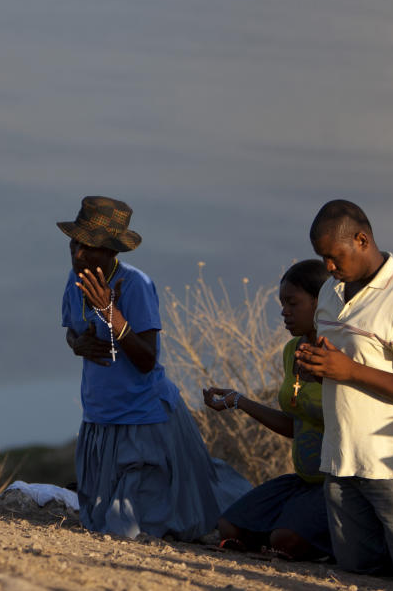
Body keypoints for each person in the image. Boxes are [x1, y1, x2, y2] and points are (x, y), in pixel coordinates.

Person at [59, 196, 251, 541]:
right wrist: (78, 344)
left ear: (113, 251)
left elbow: (147, 360)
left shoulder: (135, 286)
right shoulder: (77, 282)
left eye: (90, 247)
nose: (78, 254)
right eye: (75, 244)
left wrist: (110, 314)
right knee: (96, 520)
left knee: (132, 526)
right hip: (100, 420)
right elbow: (73, 330)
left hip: (143, 422)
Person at [295, 199, 393, 585]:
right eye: (322, 258)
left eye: (334, 257)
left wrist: (348, 370)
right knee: (359, 568)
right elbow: (341, 366)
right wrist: (318, 367)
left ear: (362, 240)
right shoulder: (333, 293)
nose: (328, 268)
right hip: (342, 457)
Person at [203, 259, 333, 560]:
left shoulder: (345, 353)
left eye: (292, 303)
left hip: (338, 484)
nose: (284, 312)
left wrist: (324, 377)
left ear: (321, 302)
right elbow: (294, 425)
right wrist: (239, 400)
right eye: (282, 303)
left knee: (285, 540)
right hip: (303, 480)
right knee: (229, 529)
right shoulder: (293, 352)